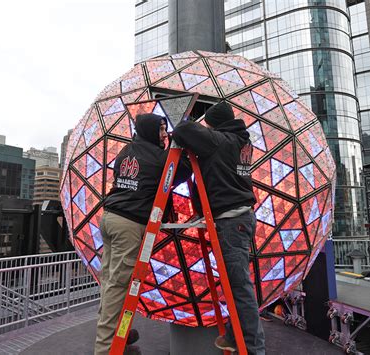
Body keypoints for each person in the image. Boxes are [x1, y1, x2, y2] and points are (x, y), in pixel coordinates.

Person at [172, 101, 265, 355]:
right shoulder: (242, 142)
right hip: (241, 219)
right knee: (236, 285)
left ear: (216, 125)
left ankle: (254, 349)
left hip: (231, 221)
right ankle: (237, 338)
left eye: (209, 124)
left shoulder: (219, 140)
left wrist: (190, 118)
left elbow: (182, 130)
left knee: (239, 288)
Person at [95, 113, 190, 355]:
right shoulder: (160, 158)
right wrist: (182, 140)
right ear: (149, 130)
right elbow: (183, 171)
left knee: (109, 283)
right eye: (160, 130)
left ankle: (118, 333)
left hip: (109, 219)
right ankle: (107, 349)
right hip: (129, 224)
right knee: (118, 287)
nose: (164, 135)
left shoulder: (126, 151)